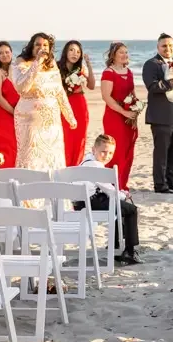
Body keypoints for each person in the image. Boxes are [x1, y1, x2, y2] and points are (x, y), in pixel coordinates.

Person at [11, 32, 76, 172]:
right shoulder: (20, 62)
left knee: (53, 158)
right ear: (31, 46)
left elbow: (59, 91)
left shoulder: (52, 64)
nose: (42, 48)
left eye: (45, 45)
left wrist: (70, 117)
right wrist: (37, 63)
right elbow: (22, 88)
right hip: (30, 121)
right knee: (31, 159)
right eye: (38, 44)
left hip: (53, 122)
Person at [74, 135, 142, 265]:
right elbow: (110, 190)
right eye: (103, 152)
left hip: (80, 203)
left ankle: (115, 245)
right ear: (94, 150)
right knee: (131, 209)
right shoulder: (96, 166)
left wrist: (120, 194)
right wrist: (124, 195)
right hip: (91, 203)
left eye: (110, 152)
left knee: (120, 207)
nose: (107, 155)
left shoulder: (85, 161)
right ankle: (130, 250)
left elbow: (105, 188)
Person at [143, 33, 173, 193]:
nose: (167, 49)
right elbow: (153, 87)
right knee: (161, 152)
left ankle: (172, 182)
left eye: (170, 46)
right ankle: (160, 185)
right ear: (158, 47)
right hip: (161, 116)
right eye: (164, 46)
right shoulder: (151, 64)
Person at [101, 41, 138, 192]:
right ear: (113, 55)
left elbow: (133, 94)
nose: (124, 55)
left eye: (126, 52)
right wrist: (124, 112)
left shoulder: (128, 72)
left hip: (129, 117)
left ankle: (122, 184)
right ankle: (112, 185)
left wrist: (135, 111)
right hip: (114, 117)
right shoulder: (108, 73)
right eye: (121, 52)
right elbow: (106, 97)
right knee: (116, 150)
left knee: (129, 150)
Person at [57, 40, 94, 167]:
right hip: (63, 106)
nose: (75, 54)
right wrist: (70, 89)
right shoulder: (57, 67)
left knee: (80, 139)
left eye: (78, 51)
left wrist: (88, 64)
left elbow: (92, 85)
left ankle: (76, 167)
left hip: (80, 105)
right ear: (66, 52)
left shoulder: (81, 68)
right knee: (65, 138)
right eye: (72, 50)